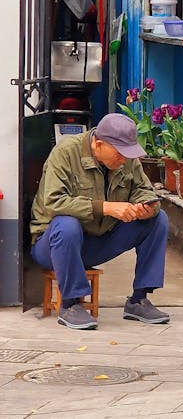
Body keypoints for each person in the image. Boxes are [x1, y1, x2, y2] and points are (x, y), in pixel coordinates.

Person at [30, 113, 169, 330]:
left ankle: (138, 300)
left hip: (97, 241)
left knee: (158, 219)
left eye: (128, 154)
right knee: (67, 224)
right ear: (99, 143)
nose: (124, 159)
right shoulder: (66, 153)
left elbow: (144, 190)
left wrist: (145, 207)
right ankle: (71, 304)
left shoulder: (127, 158)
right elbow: (53, 203)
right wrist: (106, 207)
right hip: (53, 244)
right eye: (119, 154)